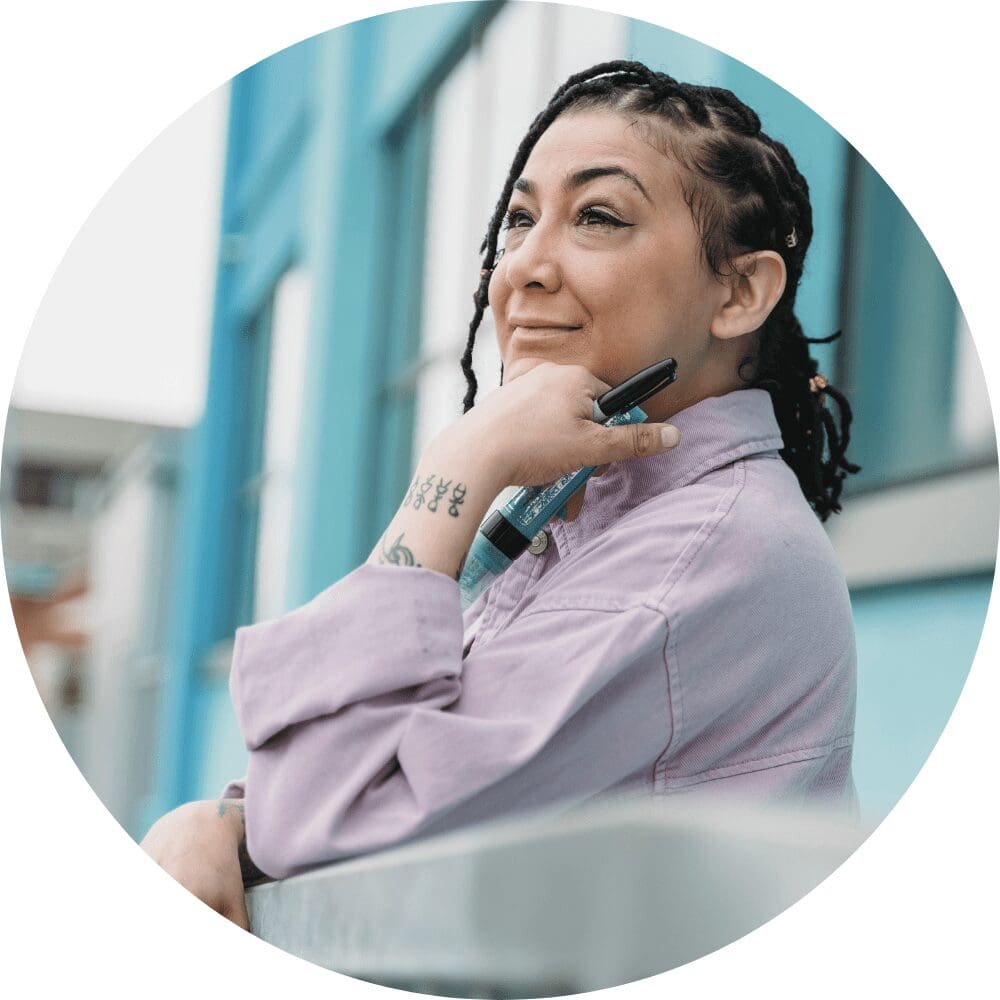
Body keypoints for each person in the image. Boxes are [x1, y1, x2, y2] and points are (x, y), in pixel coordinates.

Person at [140, 60, 861, 928]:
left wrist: (454, 468)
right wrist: (224, 822)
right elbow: (361, 771)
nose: (521, 268)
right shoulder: (583, 511)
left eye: (597, 216)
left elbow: (334, 838)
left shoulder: (696, 557)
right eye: (520, 219)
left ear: (740, 291)